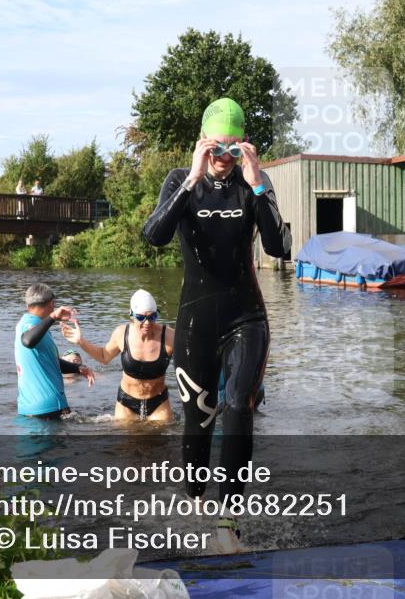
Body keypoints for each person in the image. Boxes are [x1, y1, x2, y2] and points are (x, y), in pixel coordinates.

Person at [143, 97, 291, 550]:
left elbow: (278, 247)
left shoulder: (254, 184)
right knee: (198, 418)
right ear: (202, 145)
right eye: (216, 149)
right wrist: (191, 178)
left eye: (232, 148)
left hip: (246, 315)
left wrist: (258, 184)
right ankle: (193, 502)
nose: (223, 160)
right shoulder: (180, 180)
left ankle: (228, 515)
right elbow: (154, 236)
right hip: (196, 321)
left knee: (238, 405)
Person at [61, 289, 175, 423]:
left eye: (152, 317)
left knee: (162, 441)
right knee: (125, 442)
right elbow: (104, 357)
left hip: (159, 402)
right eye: (140, 317)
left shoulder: (169, 336)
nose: (147, 323)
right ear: (131, 315)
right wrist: (81, 341)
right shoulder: (122, 334)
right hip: (127, 402)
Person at [15, 283, 95, 419]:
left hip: (30, 408)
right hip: (48, 409)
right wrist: (52, 317)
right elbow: (27, 341)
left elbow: (51, 361)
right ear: (51, 304)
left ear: (27, 305)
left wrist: (78, 368)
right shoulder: (29, 325)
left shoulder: (35, 326)